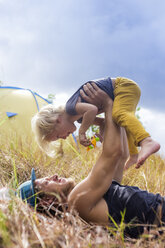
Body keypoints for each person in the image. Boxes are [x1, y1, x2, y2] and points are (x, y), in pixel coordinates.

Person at [16, 86, 164, 239]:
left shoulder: (89, 199)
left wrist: (112, 116)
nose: (53, 176)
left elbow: (120, 156)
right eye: (46, 183)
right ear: (46, 202)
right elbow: (112, 154)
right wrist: (108, 103)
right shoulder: (77, 201)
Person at [31, 77, 160, 169]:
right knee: (120, 120)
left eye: (58, 135)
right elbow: (104, 122)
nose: (64, 137)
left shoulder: (70, 107)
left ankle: (146, 141)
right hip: (118, 94)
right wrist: (99, 137)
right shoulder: (80, 118)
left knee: (119, 114)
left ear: (56, 121)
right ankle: (133, 154)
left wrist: (82, 132)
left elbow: (92, 109)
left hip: (123, 87)